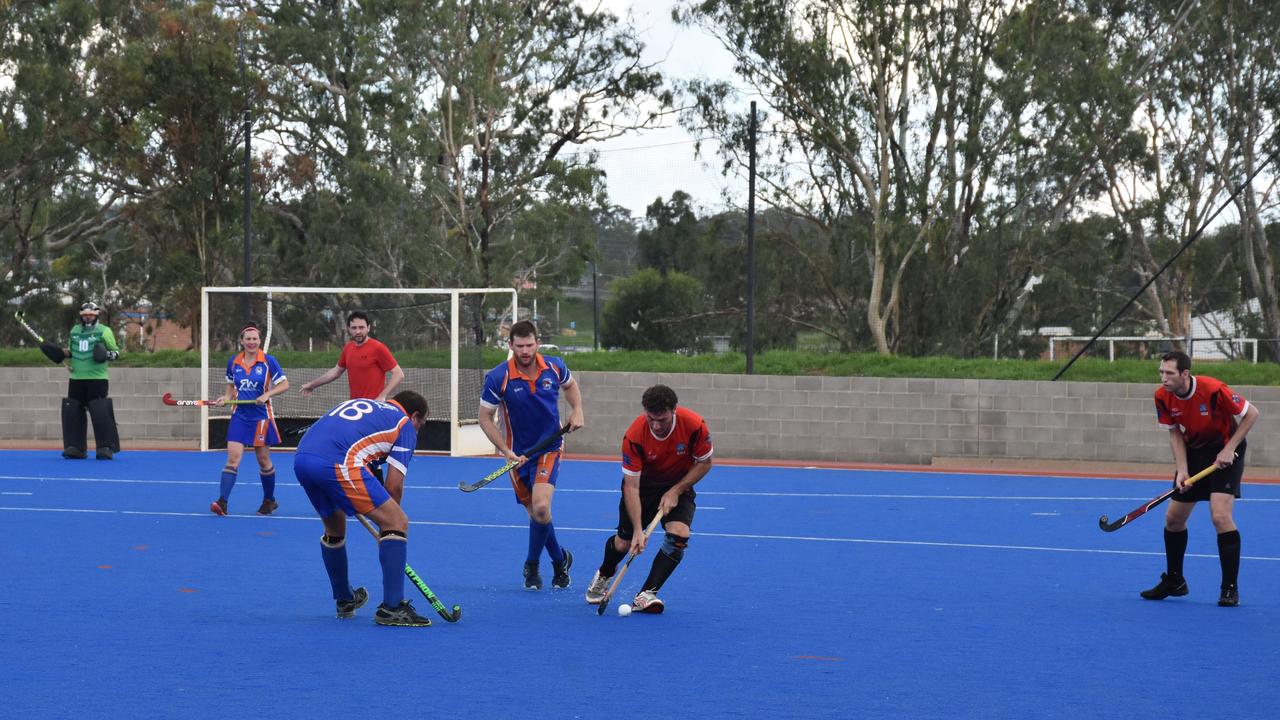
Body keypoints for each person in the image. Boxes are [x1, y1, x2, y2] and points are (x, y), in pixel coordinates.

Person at [293, 390, 432, 627]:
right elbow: (394, 485)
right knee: (397, 522)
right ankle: (392, 607)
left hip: (302, 458)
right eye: (422, 424)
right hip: (337, 461)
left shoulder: (366, 404)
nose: (418, 429)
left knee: (334, 528)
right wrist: (389, 530)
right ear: (415, 416)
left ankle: (345, 599)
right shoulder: (404, 424)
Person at [1141, 350, 1259, 607]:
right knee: (1173, 519)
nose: (1163, 378)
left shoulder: (1214, 389)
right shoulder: (1162, 396)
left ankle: (1229, 588)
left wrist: (1229, 449)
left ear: (1185, 374)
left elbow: (1252, 414)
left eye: (1169, 373)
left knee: (1220, 516)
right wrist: (1182, 470)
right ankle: (1175, 580)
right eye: (1161, 372)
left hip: (1227, 451)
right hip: (1194, 454)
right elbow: (1174, 433)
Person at [584, 384, 712, 614]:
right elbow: (631, 486)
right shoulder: (634, 436)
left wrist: (676, 490)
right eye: (651, 418)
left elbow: (704, 463)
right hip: (641, 489)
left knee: (679, 536)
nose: (656, 425)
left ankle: (646, 594)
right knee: (624, 544)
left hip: (678, 485)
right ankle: (604, 572)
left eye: (662, 419)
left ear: (674, 410)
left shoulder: (694, 425)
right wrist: (636, 531)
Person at [477, 320, 584, 591]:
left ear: (538, 343)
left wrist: (577, 410)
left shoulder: (555, 366)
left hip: (549, 446)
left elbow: (570, 386)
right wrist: (505, 450)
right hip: (517, 455)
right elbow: (485, 418)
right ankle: (560, 560)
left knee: (541, 507)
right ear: (510, 345)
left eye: (529, 344)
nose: (525, 350)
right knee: (537, 515)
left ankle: (532, 564)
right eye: (519, 345)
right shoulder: (498, 377)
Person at [209, 323, 290, 516]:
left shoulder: (268, 361)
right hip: (240, 416)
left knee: (263, 461)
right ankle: (223, 502)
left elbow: (285, 384)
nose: (252, 342)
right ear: (242, 341)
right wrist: (225, 399)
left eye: (255, 339)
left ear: (259, 341)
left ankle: (269, 500)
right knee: (232, 460)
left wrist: (267, 395)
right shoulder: (234, 362)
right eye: (248, 339)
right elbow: (230, 390)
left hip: (262, 417)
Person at [299, 310, 405, 403]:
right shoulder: (348, 348)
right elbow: (336, 372)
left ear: (368, 328)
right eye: (354, 328)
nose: (358, 331)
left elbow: (398, 374)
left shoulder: (378, 348)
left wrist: (382, 396)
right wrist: (312, 385)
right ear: (349, 329)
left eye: (361, 327)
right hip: (355, 406)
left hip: (373, 407)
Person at [62, 301, 121, 460]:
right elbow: (71, 352)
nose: (88, 318)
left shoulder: (104, 331)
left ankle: (105, 447)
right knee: (74, 412)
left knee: (100, 412)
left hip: (97, 379)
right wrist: (59, 353)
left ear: (96, 315)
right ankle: (76, 447)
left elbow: (116, 352)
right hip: (76, 378)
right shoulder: (75, 330)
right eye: (85, 315)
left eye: (91, 315)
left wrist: (106, 355)